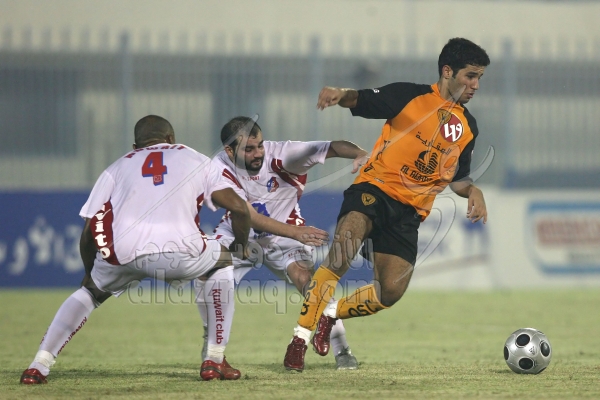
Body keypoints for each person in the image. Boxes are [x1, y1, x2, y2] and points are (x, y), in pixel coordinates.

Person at [19, 115, 306, 384]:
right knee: (222, 261)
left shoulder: (115, 168)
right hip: (180, 250)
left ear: (136, 145)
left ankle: (38, 365)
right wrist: (241, 246)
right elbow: (239, 208)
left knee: (89, 293)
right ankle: (214, 360)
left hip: (125, 251)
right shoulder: (194, 158)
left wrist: (89, 272)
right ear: (171, 138)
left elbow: (88, 232)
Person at [283, 37, 491, 371]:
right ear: (447, 71)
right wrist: (340, 94)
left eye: (479, 78)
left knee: (390, 292)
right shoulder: (410, 96)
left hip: (409, 213)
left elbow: (458, 178)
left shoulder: (468, 127)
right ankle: (299, 340)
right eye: (470, 76)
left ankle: (331, 314)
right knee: (341, 254)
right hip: (374, 189)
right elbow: (361, 99)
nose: (475, 85)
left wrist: (473, 191)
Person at [195, 116, 369, 371]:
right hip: (240, 232)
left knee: (308, 281)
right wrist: (295, 233)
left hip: (284, 235)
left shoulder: (284, 155)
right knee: (206, 270)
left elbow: (331, 146)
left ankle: (342, 349)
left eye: (260, 145)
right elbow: (247, 215)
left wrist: (360, 153)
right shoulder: (218, 168)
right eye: (249, 149)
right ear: (229, 151)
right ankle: (211, 338)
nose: (258, 153)